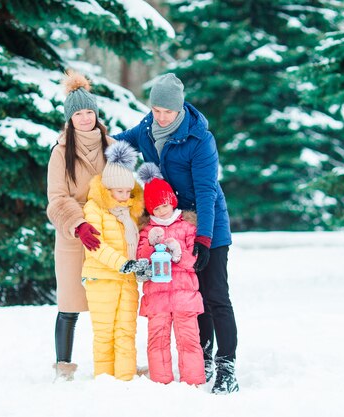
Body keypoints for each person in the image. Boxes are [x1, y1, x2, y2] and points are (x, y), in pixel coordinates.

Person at [114, 73, 239, 394]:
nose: (161, 116)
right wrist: (84, 138)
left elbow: (207, 191)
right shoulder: (146, 128)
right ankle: (204, 356)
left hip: (208, 223)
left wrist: (204, 240)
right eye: (156, 109)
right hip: (169, 221)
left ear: (180, 108)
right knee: (190, 296)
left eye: (167, 111)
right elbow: (117, 144)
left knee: (214, 296)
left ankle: (227, 367)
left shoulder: (199, 138)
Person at [46, 70, 111, 381]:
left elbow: (126, 188)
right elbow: (57, 199)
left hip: (107, 234)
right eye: (79, 114)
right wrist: (79, 223)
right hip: (74, 236)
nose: (85, 119)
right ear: (69, 119)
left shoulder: (112, 146)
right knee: (70, 302)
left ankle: (114, 364)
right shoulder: (60, 153)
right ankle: (63, 367)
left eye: (89, 112)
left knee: (112, 301)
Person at [81, 141, 151, 381]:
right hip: (102, 278)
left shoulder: (132, 213)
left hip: (128, 281)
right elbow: (95, 246)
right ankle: (103, 378)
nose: (124, 197)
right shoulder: (94, 209)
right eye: (119, 192)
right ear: (108, 188)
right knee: (104, 333)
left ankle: (125, 378)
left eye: (128, 192)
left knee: (126, 332)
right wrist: (122, 264)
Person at [136, 162, 206, 386]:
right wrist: (150, 245)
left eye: (166, 205)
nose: (163, 210)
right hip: (157, 297)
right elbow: (141, 261)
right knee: (157, 341)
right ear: (150, 210)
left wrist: (178, 251)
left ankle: (193, 381)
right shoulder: (146, 231)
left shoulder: (187, 226)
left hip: (185, 296)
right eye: (157, 208)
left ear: (172, 202)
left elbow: (194, 262)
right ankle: (160, 381)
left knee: (189, 340)